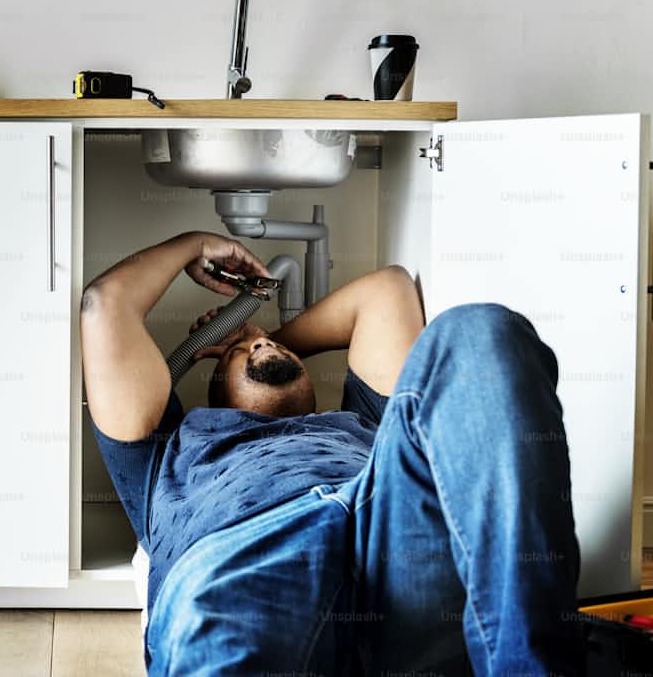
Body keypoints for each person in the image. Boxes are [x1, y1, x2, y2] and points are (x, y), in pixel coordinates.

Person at [80, 231, 584, 675]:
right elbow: (106, 305)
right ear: (213, 390)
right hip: (245, 558)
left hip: (389, 536)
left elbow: (387, 289)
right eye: (239, 357)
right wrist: (193, 243)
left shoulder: (361, 419)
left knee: (480, 332)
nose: (258, 352)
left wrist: (258, 338)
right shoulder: (170, 447)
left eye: (264, 350)